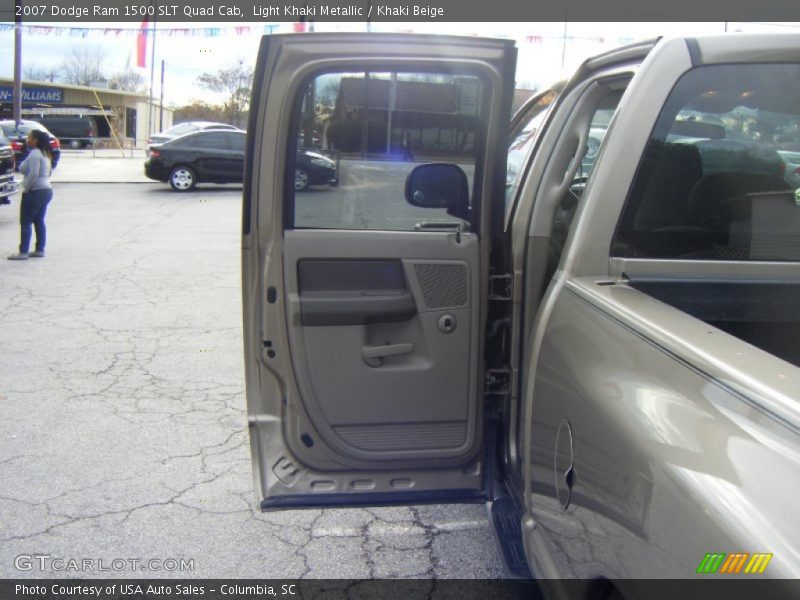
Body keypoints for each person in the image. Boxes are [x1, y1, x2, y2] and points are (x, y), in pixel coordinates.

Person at [8, 128, 54, 260]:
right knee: (39, 220)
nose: (27, 140)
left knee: (26, 221)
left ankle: (23, 252)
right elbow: (49, 173)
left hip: (35, 191)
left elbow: (33, 173)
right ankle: (40, 249)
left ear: (35, 140)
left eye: (30, 138)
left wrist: (26, 187)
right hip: (47, 190)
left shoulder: (35, 154)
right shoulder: (46, 154)